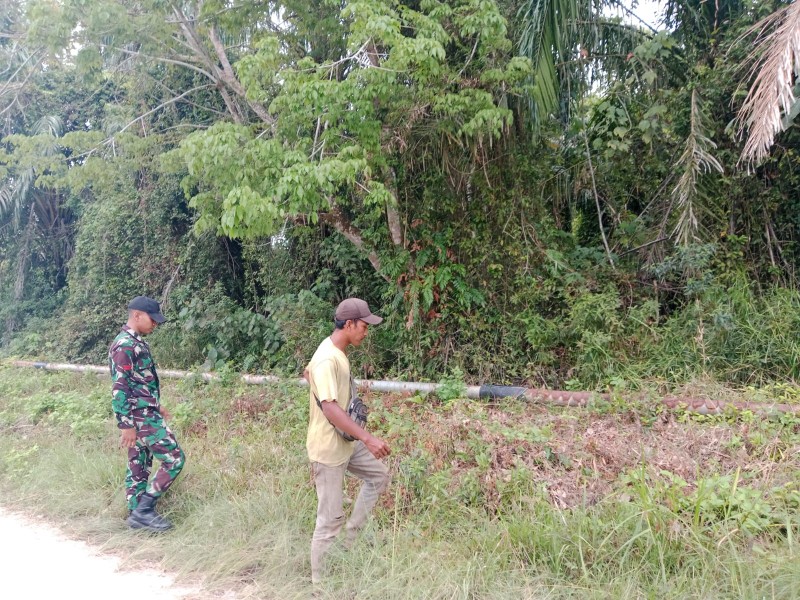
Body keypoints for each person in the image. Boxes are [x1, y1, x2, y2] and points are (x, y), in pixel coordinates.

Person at [305, 297, 392, 584]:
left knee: (379, 476)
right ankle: (320, 585)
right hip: (329, 450)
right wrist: (367, 438)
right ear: (350, 324)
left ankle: (350, 540)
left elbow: (308, 372)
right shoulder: (328, 358)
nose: (366, 332)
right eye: (364, 326)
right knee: (329, 521)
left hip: (345, 442)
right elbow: (329, 408)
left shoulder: (334, 350)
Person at [109, 295, 185, 532]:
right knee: (174, 459)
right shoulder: (125, 345)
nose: (156, 324)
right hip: (140, 418)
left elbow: (137, 381)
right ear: (137, 315)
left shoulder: (135, 342)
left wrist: (155, 404)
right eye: (153, 320)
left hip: (144, 411)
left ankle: (136, 516)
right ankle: (144, 509)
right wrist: (126, 424)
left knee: (139, 464)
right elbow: (120, 386)